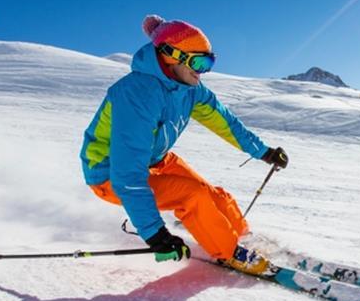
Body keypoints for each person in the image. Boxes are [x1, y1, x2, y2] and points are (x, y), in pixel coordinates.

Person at [80, 15, 288, 274]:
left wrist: (263, 152)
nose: (202, 71)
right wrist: (154, 234)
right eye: (199, 62)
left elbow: (225, 122)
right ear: (171, 55)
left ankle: (242, 236)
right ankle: (230, 252)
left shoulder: (190, 88)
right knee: (193, 196)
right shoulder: (137, 93)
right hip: (109, 172)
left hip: (155, 160)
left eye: (209, 63)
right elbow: (127, 175)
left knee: (212, 193)